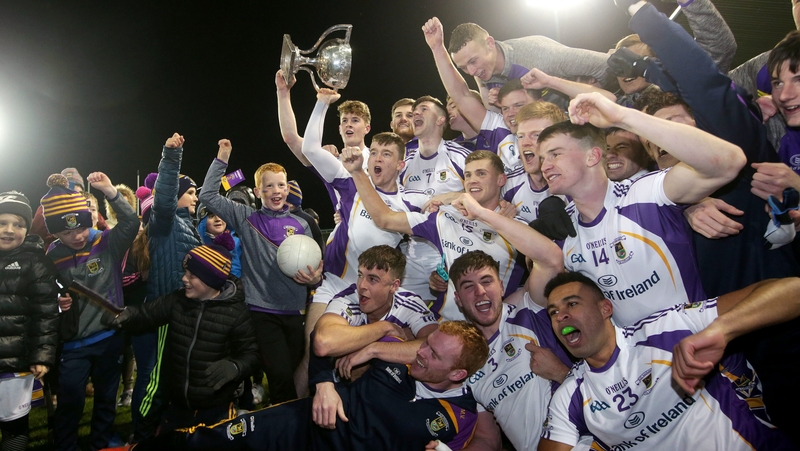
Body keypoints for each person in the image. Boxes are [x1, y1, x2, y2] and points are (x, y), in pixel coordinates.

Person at [123, 321, 489, 451]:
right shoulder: (397, 356)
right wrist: (324, 384)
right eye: (425, 344)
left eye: (434, 355)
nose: (420, 354)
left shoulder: (459, 418)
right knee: (215, 440)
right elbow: (322, 340)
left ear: (458, 375)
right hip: (303, 425)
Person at [543, 93, 745, 326]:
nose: (545, 166)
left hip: (703, 341)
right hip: (636, 359)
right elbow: (538, 294)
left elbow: (729, 161)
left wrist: (623, 117)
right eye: (542, 158)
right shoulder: (564, 225)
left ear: (593, 156)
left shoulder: (647, 192)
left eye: (555, 154)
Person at [537, 272, 798, 451]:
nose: (561, 316)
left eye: (572, 304)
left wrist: (721, 330)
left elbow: (792, 290)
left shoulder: (668, 329)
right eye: (554, 312)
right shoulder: (569, 396)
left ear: (605, 308)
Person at [199, 139, 322, 406]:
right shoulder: (246, 218)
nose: (276, 191)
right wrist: (222, 158)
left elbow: (320, 271)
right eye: (269, 186)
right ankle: (282, 433)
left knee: (295, 376)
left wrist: (315, 280)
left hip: (296, 312)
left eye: (281, 185)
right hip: (261, 311)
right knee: (278, 376)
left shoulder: (304, 223)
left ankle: (289, 428)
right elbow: (207, 195)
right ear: (258, 191)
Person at [341, 147, 527, 322]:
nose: (472, 181)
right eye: (468, 175)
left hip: (495, 329)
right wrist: (358, 172)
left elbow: (547, 268)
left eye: (481, 174)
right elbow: (385, 218)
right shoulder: (445, 218)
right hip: (445, 326)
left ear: (501, 180)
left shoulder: (517, 228)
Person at [108, 242, 259, 431]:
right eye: (185, 272)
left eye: (192, 275)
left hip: (216, 409)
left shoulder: (236, 314)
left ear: (210, 280)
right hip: (177, 407)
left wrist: (235, 367)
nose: (184, 279)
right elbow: (147, 314)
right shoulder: (178, 300)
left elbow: (251, 354)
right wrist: (126, 315)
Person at [43, 172, 138, 451]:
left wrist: (111, 192)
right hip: (74, 343)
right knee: (71, 397)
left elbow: (131, 222)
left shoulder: (105, 242)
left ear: (89, 220)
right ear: (55, 232)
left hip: (109, 336)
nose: (77, 236)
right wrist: (56, 301)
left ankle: (103, 440)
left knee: (107, 396)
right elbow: (48, 290)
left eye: (81, 227)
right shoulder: (52, 254)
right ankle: (66, 444)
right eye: (66, 232)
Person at [444, 251, 570, 451]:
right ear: (458, 299)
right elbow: (488, 440)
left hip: (582, 441)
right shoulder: (466, 361)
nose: (480, 292)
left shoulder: (529, 312)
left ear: (501, 287)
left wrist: (560, 373)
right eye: (469, 286)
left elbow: (551, 260)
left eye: (486, 281)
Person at [311, 245, 438, 382]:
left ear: (394, 286)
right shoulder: (348, 299)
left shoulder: (409, 304)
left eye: (373, 279)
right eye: (360, 275)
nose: (361, 286)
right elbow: (322, 343)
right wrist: (385, 328)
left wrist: (374, 349)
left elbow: (435, 348)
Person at [0, 191, 60, 451]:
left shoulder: (37, 262)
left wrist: (42, 356)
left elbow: (46, 313)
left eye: (18, 224)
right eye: (2, 223)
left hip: (17, 362)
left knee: (13, 427)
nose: (9, 230)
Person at [445, 21, 610, 109]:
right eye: (464, 68)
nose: (471, 71)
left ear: (489, 43)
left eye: (473, 61)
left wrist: (613, 103)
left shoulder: (540, 54)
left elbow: (606, 65)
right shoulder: (483, 71)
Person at [502, 101, 568, 222]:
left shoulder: (575, 185)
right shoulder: (508, 185)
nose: (525, 143)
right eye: (521, 136)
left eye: (536, 135)